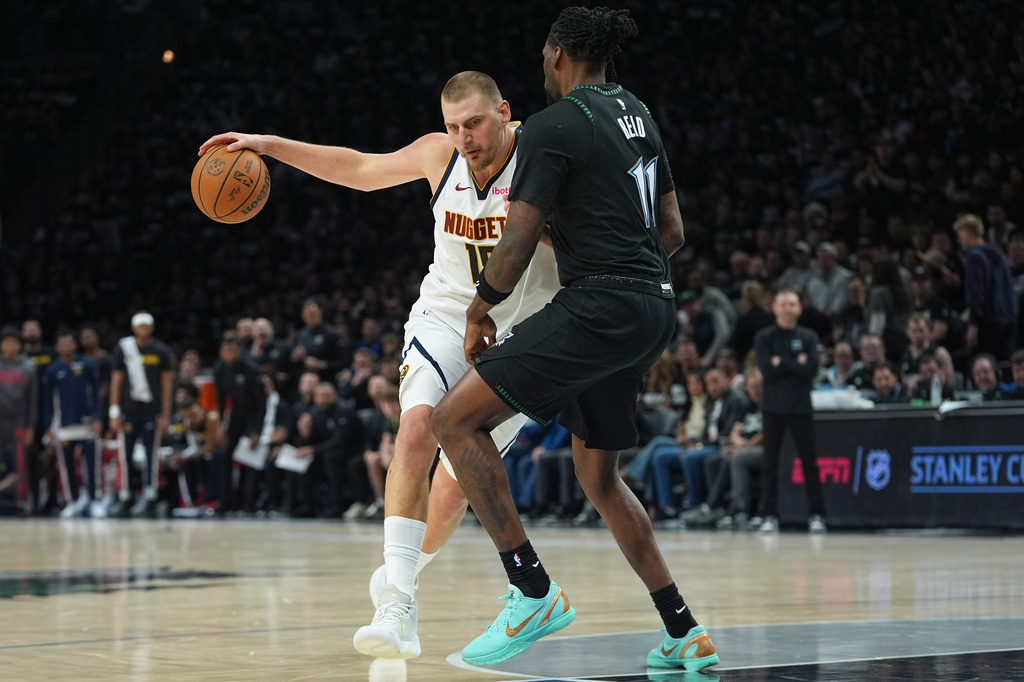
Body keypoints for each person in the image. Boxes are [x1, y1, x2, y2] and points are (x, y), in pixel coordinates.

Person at [200, 69, 560, 660]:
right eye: (453, 126)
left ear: (504, 111)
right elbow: (360, 169)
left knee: (455, 488)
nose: (464, 137)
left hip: (521, 332)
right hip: (446, 315)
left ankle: (405, 575)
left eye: (474, 123)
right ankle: (397, 605)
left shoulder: (543, 158)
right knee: (416, 426)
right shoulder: (438, 156)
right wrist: (269, 147)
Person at [430, 7, 718, 671]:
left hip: (599, 305)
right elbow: (671, 231)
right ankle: (684, 631)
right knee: (601, 478)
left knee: (454, 420)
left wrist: (481, 308)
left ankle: (530, 589)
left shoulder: (554, 124)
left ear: (558, 55)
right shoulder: (637, 113)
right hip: (653, 306)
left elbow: (519, 237)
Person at [753, 289, 827, 534]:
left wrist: (781, 361)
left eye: (792, 303)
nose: (788, 307)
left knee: (809, 463)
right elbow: (767, 370)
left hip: (801, 407)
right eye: (783, 303)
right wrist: (796, 362)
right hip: (772, 408)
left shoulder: (808, 336)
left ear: (799, 308)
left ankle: (817, 514)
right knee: (769, 463)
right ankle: (769, 516)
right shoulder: (764, 337)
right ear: (774, 307)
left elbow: (812, 369)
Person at [108, 312, 174, 518]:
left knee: (151, 456)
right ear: (134, 328)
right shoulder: (123, 349)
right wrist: (114, 411)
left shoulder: (161, 351)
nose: (143, 329)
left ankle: (151, 496)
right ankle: (125, 497)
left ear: (152, 328)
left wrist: (165, 415)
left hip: (152, 413)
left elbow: (167, 385)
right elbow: (116, 381)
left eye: (147, 326)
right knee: (124, 456)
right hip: (128, 412)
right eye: (140, 326)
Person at [41, 332, 104, 518]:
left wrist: (99, 418)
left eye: (70, 343)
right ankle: (73, 501)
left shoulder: (87, 365)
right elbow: (47, 402)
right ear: (58, 347)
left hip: (88, 425)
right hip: (64, 427)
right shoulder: (52, 370)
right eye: (63, 344)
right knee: (66, 467)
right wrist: (49, 428)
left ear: (75, 345)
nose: (67, 347)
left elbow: (97, 395)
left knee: (92, 465)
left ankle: (95, 501)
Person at [954, 213, 1018, 362]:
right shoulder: (998, 254)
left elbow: (977, 292)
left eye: (960, 235)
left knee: (983, 363)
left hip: (988, 322)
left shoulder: (974, 256)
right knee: (1005, 365)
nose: (960, 240)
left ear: (968, 233)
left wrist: (973, 323)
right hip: (1009, 317)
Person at [213, 336, 266, 513]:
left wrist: (256, 431)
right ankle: (224, 503)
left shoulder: (251, 369)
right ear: (221, 353)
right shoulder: (219, 369)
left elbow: (261, 404)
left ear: (238, 352)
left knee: (249, 460)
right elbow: (221, 400)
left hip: (252, 415)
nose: (229, 355)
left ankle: (248, 505)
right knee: (226, 457)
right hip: (235, 414)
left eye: (233, 351)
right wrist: (222, 425)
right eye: (226, 351)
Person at [0, 326, 38, 509]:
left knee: (21, 465)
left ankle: (23, 501)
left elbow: (33, 400)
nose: (10, 346)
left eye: (14, 342)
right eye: (6, 342)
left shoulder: (29, 367)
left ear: (19, 345)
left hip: (19, 422)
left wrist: (30, 427)